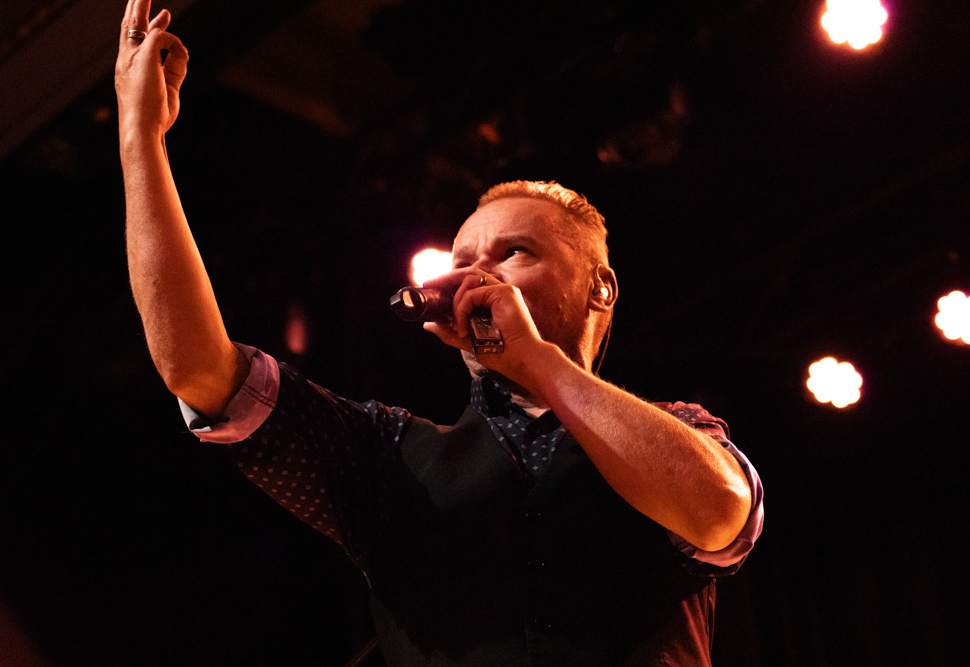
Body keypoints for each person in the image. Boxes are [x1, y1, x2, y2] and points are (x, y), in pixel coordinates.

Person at [115, 1, 764, 665]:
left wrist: (541, 363)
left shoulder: (675, 429)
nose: (475, 275)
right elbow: (197, 369)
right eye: (461, 261)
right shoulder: (385, 455)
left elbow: (719, 511)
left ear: (600, 288)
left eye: (513, 253)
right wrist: (141, 140)